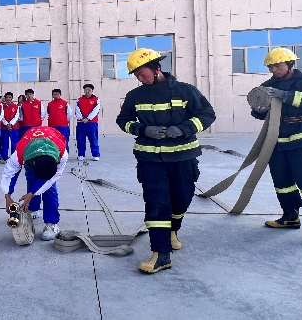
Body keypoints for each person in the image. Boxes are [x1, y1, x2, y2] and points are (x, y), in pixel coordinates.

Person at [116, 48, 216, 274]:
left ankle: (173, 230)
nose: (140, 78)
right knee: (156, 203)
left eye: (142, 73)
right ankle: (160, 254)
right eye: (137, 75)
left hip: (183, 157)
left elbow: (207, 114)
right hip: (150, 159)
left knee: (181, 199)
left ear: (156, 68)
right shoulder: (135, 96)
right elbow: (123, 121)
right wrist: (143, 129)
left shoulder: (185, 90)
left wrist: (183, 129)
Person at [249, 48, 302, 230]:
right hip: (276, 138)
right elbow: (260, 113)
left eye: (278, 65)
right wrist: (258, 108)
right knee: (282, 180)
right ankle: (290, 216)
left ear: (290, 64)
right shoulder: (268, 84)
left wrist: (286, 96)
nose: (274, 70)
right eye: (271, 67)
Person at [1, 126, 68, 241]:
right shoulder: (19, 154)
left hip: (50, 144)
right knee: (32, 179)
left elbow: (51, 179)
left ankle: (51, 223)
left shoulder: (62, 155)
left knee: (49, 188)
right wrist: (7, 196)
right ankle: (33, 209)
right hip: (31, 148)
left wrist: (31, 194)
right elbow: (9, 174)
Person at [75, 84, 101, 161]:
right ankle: (81, 154)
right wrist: (82, 118)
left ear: (92, 91)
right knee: (80, 139)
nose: (87, 91)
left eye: (89, 90)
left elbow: (96, 110)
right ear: (84, 90)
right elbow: (77, 110)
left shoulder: (96, 100)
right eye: (86, 90)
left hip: (92, 123)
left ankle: (95, 154)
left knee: (93, 139)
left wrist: (88, 118)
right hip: (81, 123)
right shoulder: (79, 100)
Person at [47, 89, 72, 153]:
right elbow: (49, 113)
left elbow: (69, 114)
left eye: (57, 94)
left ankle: (65, 153)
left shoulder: (65, 103)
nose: (55, 96)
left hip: (62, 126)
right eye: (54, 94)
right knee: (53, 140)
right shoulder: (50, 104)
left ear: (60, 95)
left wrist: (65, 121)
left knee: (64, 140)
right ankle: (55, 153)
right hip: (52, 126)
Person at [0, 92, 20, 160]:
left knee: (14, 142)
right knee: (4, 142)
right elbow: (1, 116)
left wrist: (11, 124)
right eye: (7, 97)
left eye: (10, 97)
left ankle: (14, 157)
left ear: (12, 98)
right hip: (4, 127)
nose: (8, 99)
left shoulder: (16, 107)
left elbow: (17, 116)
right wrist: (6, 124)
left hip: (14, 127)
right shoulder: (2, 107)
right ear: (5, 98)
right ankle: (5, 156)